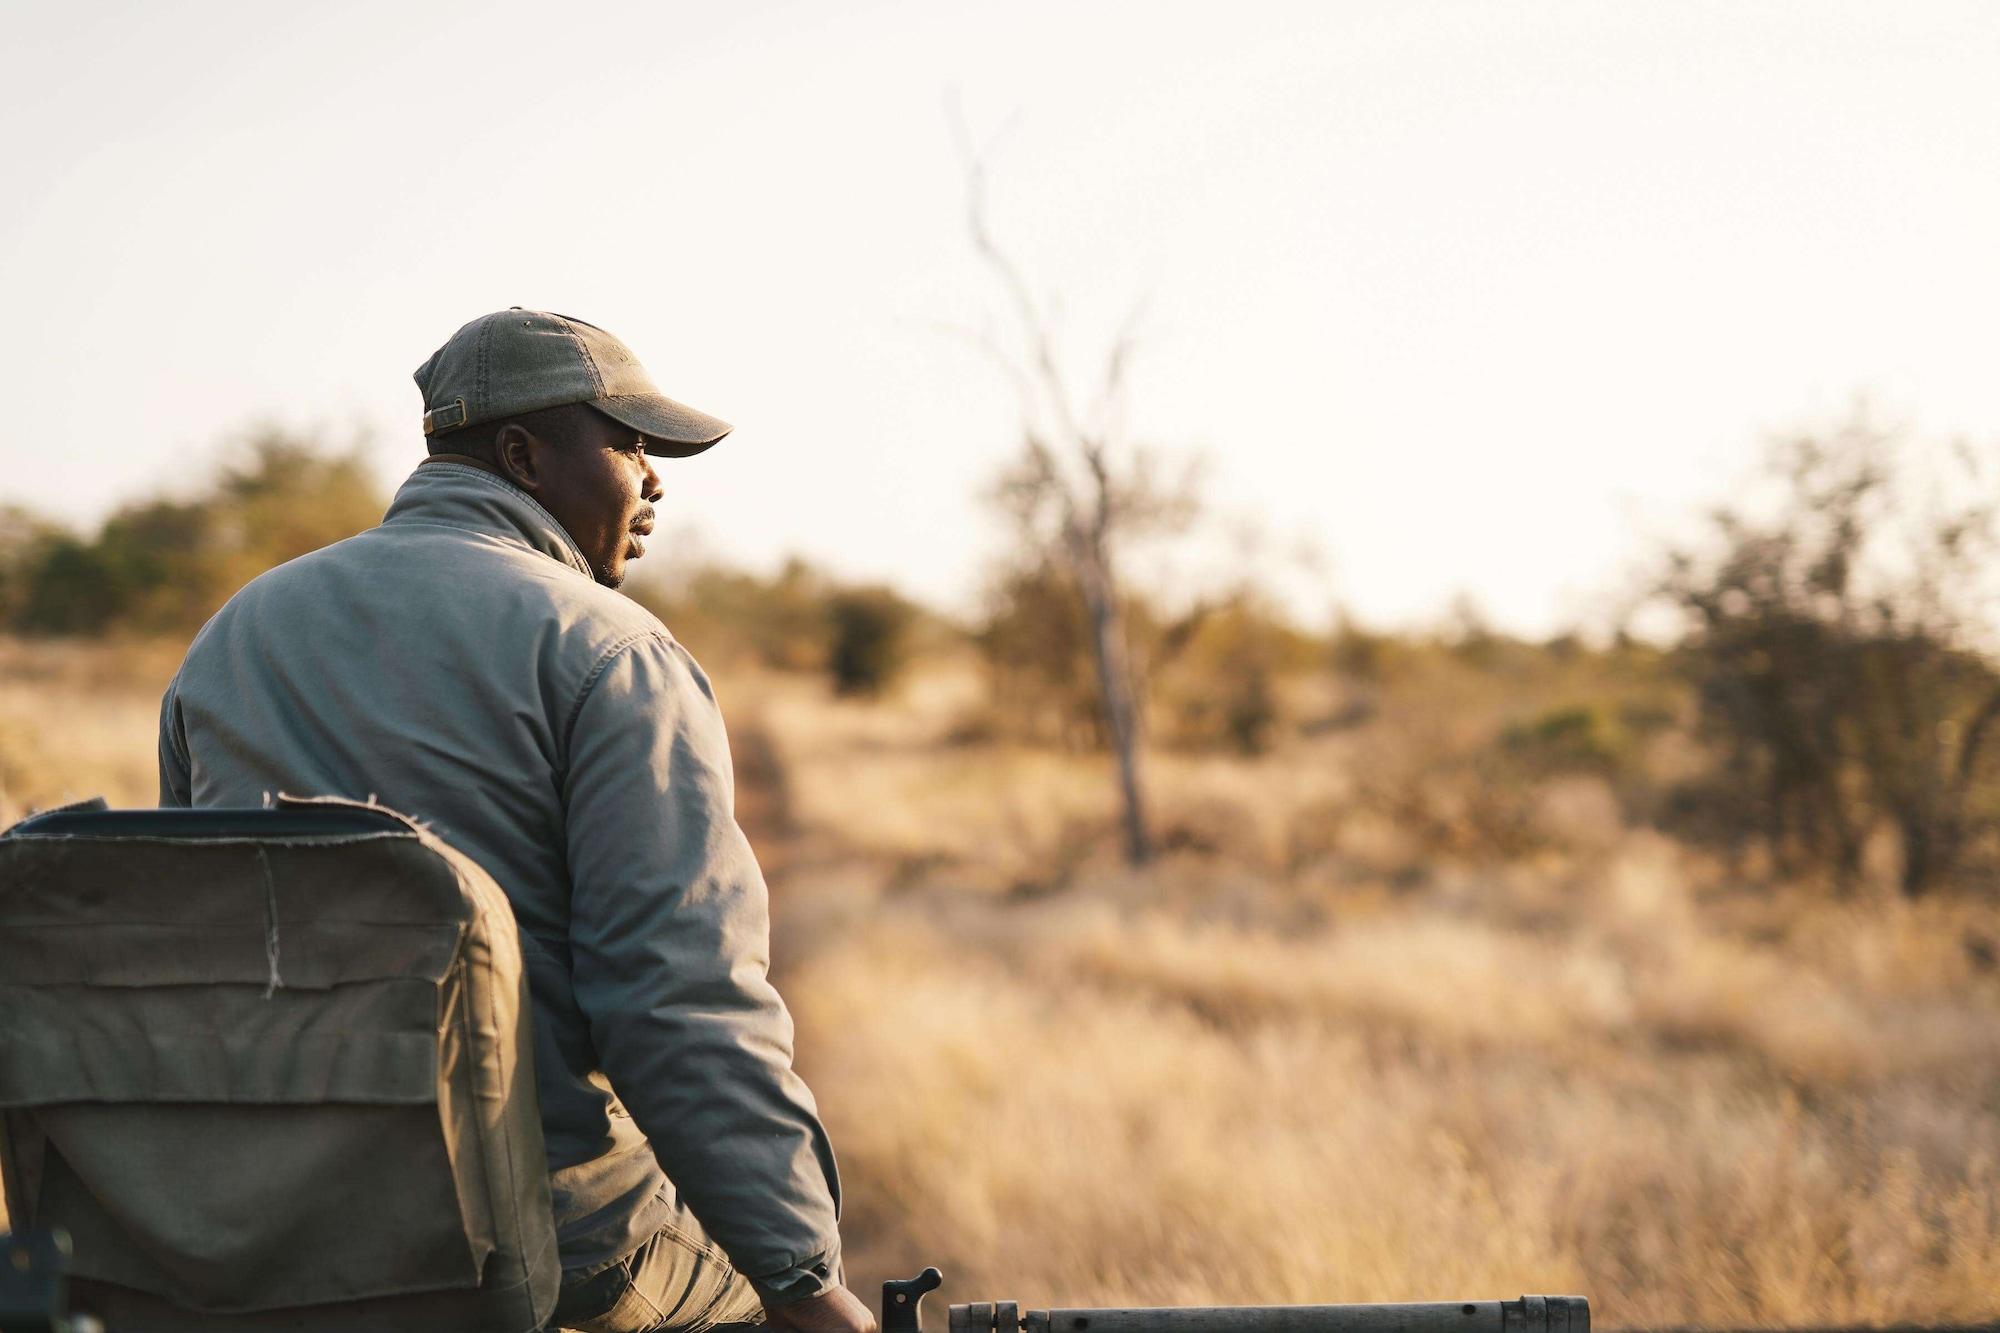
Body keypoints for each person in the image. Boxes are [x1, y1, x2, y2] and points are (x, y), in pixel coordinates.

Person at [157, 309, 877, 1333]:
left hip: (267, 1232)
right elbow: (674, 1000)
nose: (654, 478)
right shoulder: (610, 651)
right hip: (542, 1242)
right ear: (522, 456)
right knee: (738, 1299)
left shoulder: (233, 635)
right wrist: (804, 1279)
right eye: (627, 442)